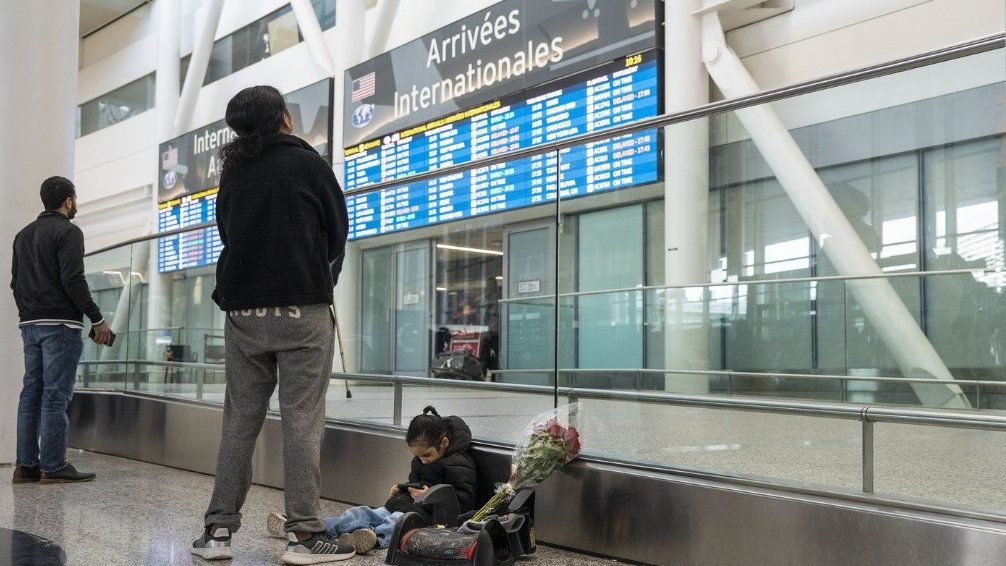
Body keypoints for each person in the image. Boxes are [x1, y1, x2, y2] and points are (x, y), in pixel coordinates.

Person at [191, 86, 350, 564]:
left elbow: (226, 232)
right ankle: (303, 537)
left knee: (240, 421)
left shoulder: (233, 171)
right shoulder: (307, 163)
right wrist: (321, 277)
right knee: (302, 420)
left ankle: (218, 533)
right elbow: (337, 229)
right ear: (283, 117)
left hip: (243, 312)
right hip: (302, 309)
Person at [10, 176, 112, 485]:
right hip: (61, 326)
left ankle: (25, 466)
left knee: (31, 393)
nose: (75, 203)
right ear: (68, 201)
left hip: (30, 325)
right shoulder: (69, 232)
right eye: (75, 199)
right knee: (55, 396)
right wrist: (97, 319)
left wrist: (29, 313)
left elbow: (15, 283)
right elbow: (73, 280)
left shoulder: (22, 236)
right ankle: (53, 465)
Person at [265, 406, 478, 554]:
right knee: (362, 512)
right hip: (408, 506)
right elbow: (416, 482)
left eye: (427, 456)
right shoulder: (421, 461)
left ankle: (371, 538)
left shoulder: (459, 463)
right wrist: (403, 489)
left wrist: (428, 497)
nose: (422, 461)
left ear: (445, 443)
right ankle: (315, 529)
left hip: (426, 517)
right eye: (418, 457)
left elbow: (462, 502)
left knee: (393, 522)